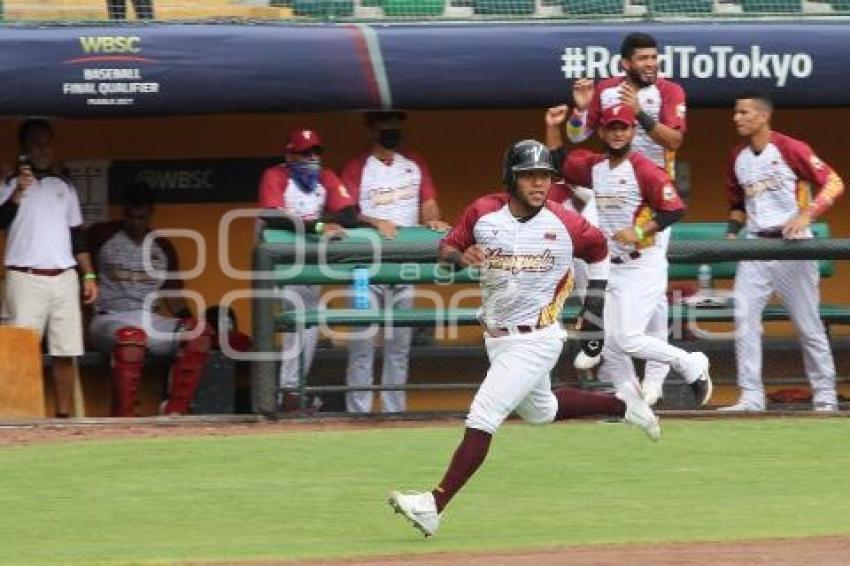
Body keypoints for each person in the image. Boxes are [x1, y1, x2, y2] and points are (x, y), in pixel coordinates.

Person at [386, 139, 660, 538]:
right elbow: (447, 247)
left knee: (483, 416)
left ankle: (433, 505)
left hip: (537, 338)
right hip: (497, 336)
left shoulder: (565, 222)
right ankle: (626, 406)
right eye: (529, 175)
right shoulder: (483, 211)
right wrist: (461, 258)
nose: (538, 184)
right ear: (511, 178)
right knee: (541, 410)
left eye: (545, 176)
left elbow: (599, 249)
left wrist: (593, 311)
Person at [548, 103, 712, 407]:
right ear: (602, 131)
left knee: (627, 338)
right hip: (612, 265)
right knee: (609, 343)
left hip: (642, 264)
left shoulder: (644, 168)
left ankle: (690, 363)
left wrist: (639, 232)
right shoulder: (595, 166)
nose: (618, 133)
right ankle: (631, 403)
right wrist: (554, 127)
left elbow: (674, 209)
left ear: (633, 131)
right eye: (612, 127)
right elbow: (560, 163)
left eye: (623, 127)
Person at [563, 32, 687, 406]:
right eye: (643, 58)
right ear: (625, 64)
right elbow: (576, 136)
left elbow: (674, 142)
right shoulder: (606, 90)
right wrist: (581, 109)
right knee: (583, 251)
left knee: (651, 288)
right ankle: (597, 333)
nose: (651, 64)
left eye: (654, 57)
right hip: (610, 185)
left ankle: (655, 377)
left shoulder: (669, 91)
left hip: (650, 196)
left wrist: (640, 112)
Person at [720, 92, 844, 412]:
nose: (737, 118)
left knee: (807, 325)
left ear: (763, 117)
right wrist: (732, 233)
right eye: (736, 112)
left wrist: (808, 214)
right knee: (744, 320)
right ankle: (751, 398)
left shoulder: (790, 147)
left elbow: (833, 182)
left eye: (744, 112)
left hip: (795, 246)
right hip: (756, 245)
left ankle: (826, 398)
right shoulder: (737, 156)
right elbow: (737, 205)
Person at [339, 110, 450, 414]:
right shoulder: (357, 166)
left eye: (396, 125)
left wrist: (434, 220)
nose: (392, 130)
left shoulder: (414, 163)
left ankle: (393, 412)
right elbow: (346, 211)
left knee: (398, 347)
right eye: (385, 125)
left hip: (405, 267)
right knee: (362, 346)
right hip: (365, 269)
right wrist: (374, 221)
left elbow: (428, 203)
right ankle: (358, 413)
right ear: (372, 129)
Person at [87, 185, 215, 417]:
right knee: (131, 341)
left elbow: (174, 299)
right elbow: (78, 257)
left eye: (142, 217)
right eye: (131, 217)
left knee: (199, 332)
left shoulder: (162, 247)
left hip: (148, 318)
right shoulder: (102, 235)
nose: (136, 223)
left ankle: (174, 411)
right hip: (109, 318)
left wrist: (189, 325)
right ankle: (123, 418)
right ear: (124, 212)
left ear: (150, 213)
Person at [0, 118, 98, 418]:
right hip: (24, 277)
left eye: (47, 143)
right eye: (36, 143)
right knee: (22, 352)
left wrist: (89, 275)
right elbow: (1, 222)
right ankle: (20, 418)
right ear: (24, 148)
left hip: (64, 278)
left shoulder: (64, 186)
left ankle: (63, 417)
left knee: (65, 352)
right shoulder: (6, 183)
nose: (43, 149)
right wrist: (18, 190)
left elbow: (77, 235)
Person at [257, 127, 358, 412]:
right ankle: (288, 393)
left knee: (310, 325)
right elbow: (274, 217)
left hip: (313, 265)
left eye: (315, 151)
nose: (311, 157)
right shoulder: (275, 176)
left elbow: (348, 214)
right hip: (281, 264)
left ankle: (293, 391)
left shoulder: (324, 178)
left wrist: (321, 222)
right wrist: (317, 225)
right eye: (304, 153)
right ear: (289, 155)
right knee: (294, 326)